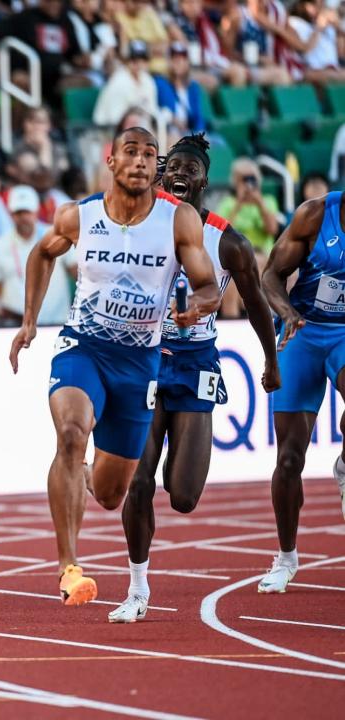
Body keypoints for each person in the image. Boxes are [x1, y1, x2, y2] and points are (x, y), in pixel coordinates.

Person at [9, 126, 220, 606]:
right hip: (83, 347)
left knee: (110, 494)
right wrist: (28, 322)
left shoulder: (178, 220)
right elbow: (42, 254)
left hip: (139, 362)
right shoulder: (80, 216)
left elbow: (207, 284)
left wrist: (199, 306)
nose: (142, 162)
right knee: (70, 433)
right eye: (132, 153)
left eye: (150, 154)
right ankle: (69, 568)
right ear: (111, 162)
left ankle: (82, 476)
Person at [112, 134, 281, 622]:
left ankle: (171, 460)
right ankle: (137, 588)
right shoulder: (138, 224)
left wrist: (270, 361)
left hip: (196, 362)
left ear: (206, 179)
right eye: (174, 167)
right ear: (163, 176)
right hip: (143, 358)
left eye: (191, 167)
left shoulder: (228, 242)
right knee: (138, 480)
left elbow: (255, 304)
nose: (181, 174)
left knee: (183, 496)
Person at [258, 186, 345, 593]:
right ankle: (287, 556)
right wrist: (287, 312)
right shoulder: (315, 215)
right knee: (290, 458)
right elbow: (271, 274)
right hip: (304, 331)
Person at [0, 185, 73, 325]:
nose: (23, 217)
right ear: (11, 214)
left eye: (27, 212)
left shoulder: (57, 236)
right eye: (19, 213)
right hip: (16, 325)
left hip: (57, 323)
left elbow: (79, 273)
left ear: (36, 211)